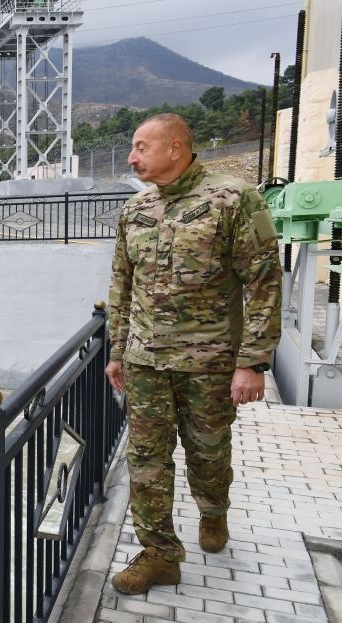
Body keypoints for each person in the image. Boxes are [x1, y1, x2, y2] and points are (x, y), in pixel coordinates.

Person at [106, 113, 282, 595]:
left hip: (209, 364)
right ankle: (160, 553)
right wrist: (117, 350)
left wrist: (252, 361)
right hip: (145, 362)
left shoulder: (233, 199)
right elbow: (122, 284)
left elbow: (263, 280)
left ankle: (213, 512)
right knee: (146, 459)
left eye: (142, 146)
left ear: (176, 148)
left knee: (207, 453)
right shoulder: (135, 211)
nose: (132, 156)